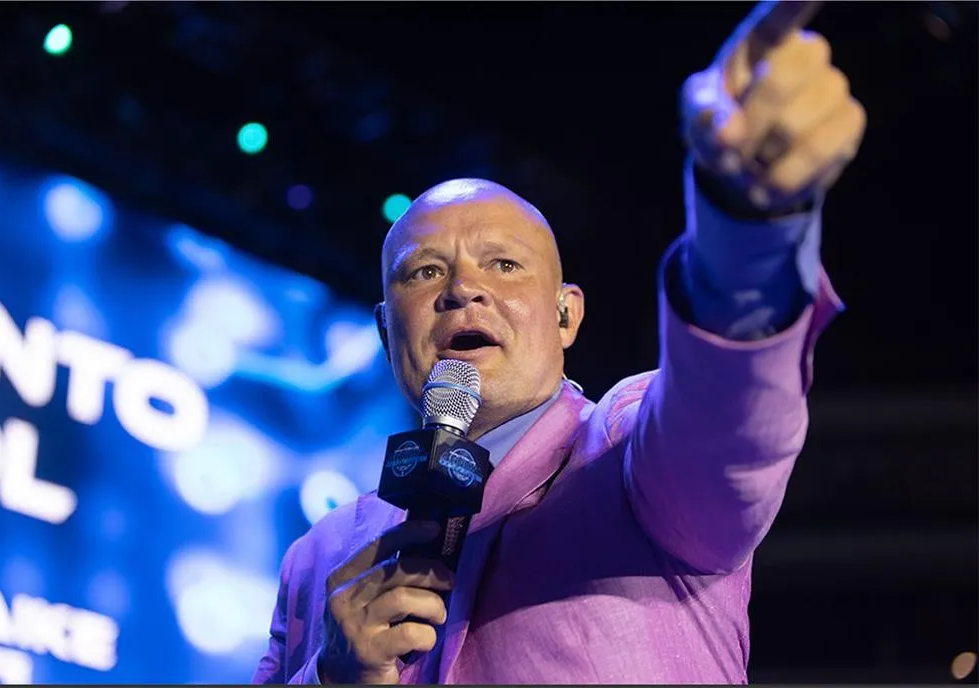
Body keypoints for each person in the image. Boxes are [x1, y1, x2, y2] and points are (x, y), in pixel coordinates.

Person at [252, 1, 866, 684]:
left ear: (566, 315)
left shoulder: (627, 453)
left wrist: (748, 227)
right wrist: (329, 676)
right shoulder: (317, 559)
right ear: (384, 330)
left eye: (503, 265)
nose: (463, 289)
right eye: (425, 273)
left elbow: (725, 423)